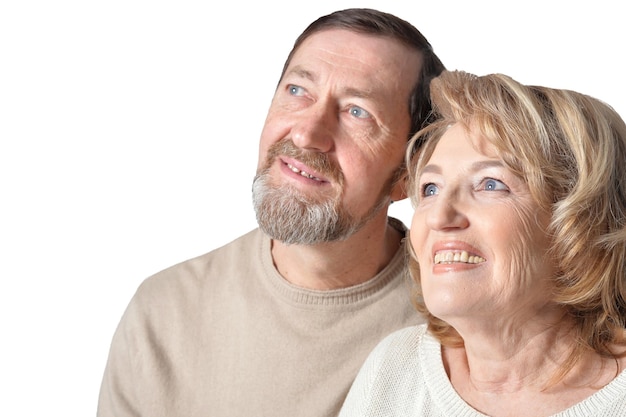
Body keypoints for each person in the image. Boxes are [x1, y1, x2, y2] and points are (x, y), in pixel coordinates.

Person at [97, 8, 446, 417]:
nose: (306, 133)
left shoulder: (460, 320)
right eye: (298, 91)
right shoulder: (163, 314)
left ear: (408, 174)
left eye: (357, 112)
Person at [338, 70, 626, 416]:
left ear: (584, 220)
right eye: (430, 188)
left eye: (490, 184)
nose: (438, 217)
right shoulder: (394, 369)